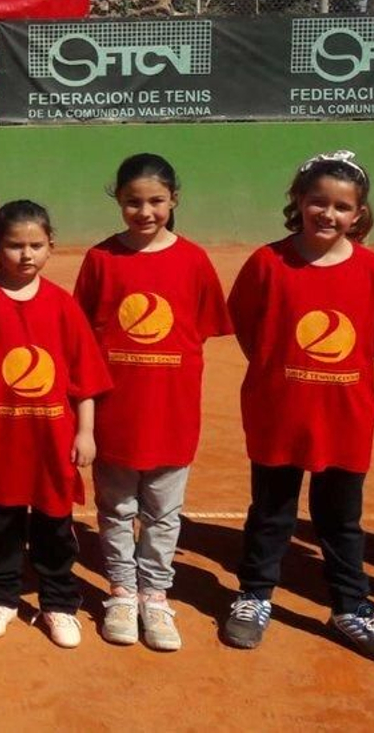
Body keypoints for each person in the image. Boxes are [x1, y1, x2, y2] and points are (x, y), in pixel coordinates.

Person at [221, 151, 374, 667]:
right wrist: (281, 372)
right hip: (278, 411)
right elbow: (248, 327)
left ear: (359, 215)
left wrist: (330, 376)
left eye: (342, 207)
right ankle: (255, 595)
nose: (328, 214)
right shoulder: (268, 262)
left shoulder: (372, 271)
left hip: (344, 416)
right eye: (318, 202)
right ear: (299, 202)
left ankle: (350, 607)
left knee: (341, 520)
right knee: (271, 513)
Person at [74, 154, 230, 651]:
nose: (145, 212)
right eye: (132, 202)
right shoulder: (101, 260)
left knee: (164, 512)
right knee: (117, 507)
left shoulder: (194, 261)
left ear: (174, 200)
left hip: (172, 413)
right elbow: (80, 339)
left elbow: (198, 331)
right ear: (118, 201)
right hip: (114, 414)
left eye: (156, 201)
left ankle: (156, 595)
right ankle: (121, 591)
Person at [0, 200, 110, 649]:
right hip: (0, 439)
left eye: (36, 246)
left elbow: (84, 377)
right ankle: (1, 596)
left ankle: (58, 603)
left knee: (54, 524)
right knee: (0, 522)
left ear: (51, 247)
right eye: (15, 246)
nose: (26, 255)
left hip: (53, 440)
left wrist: (85, 431)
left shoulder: (62, 305)